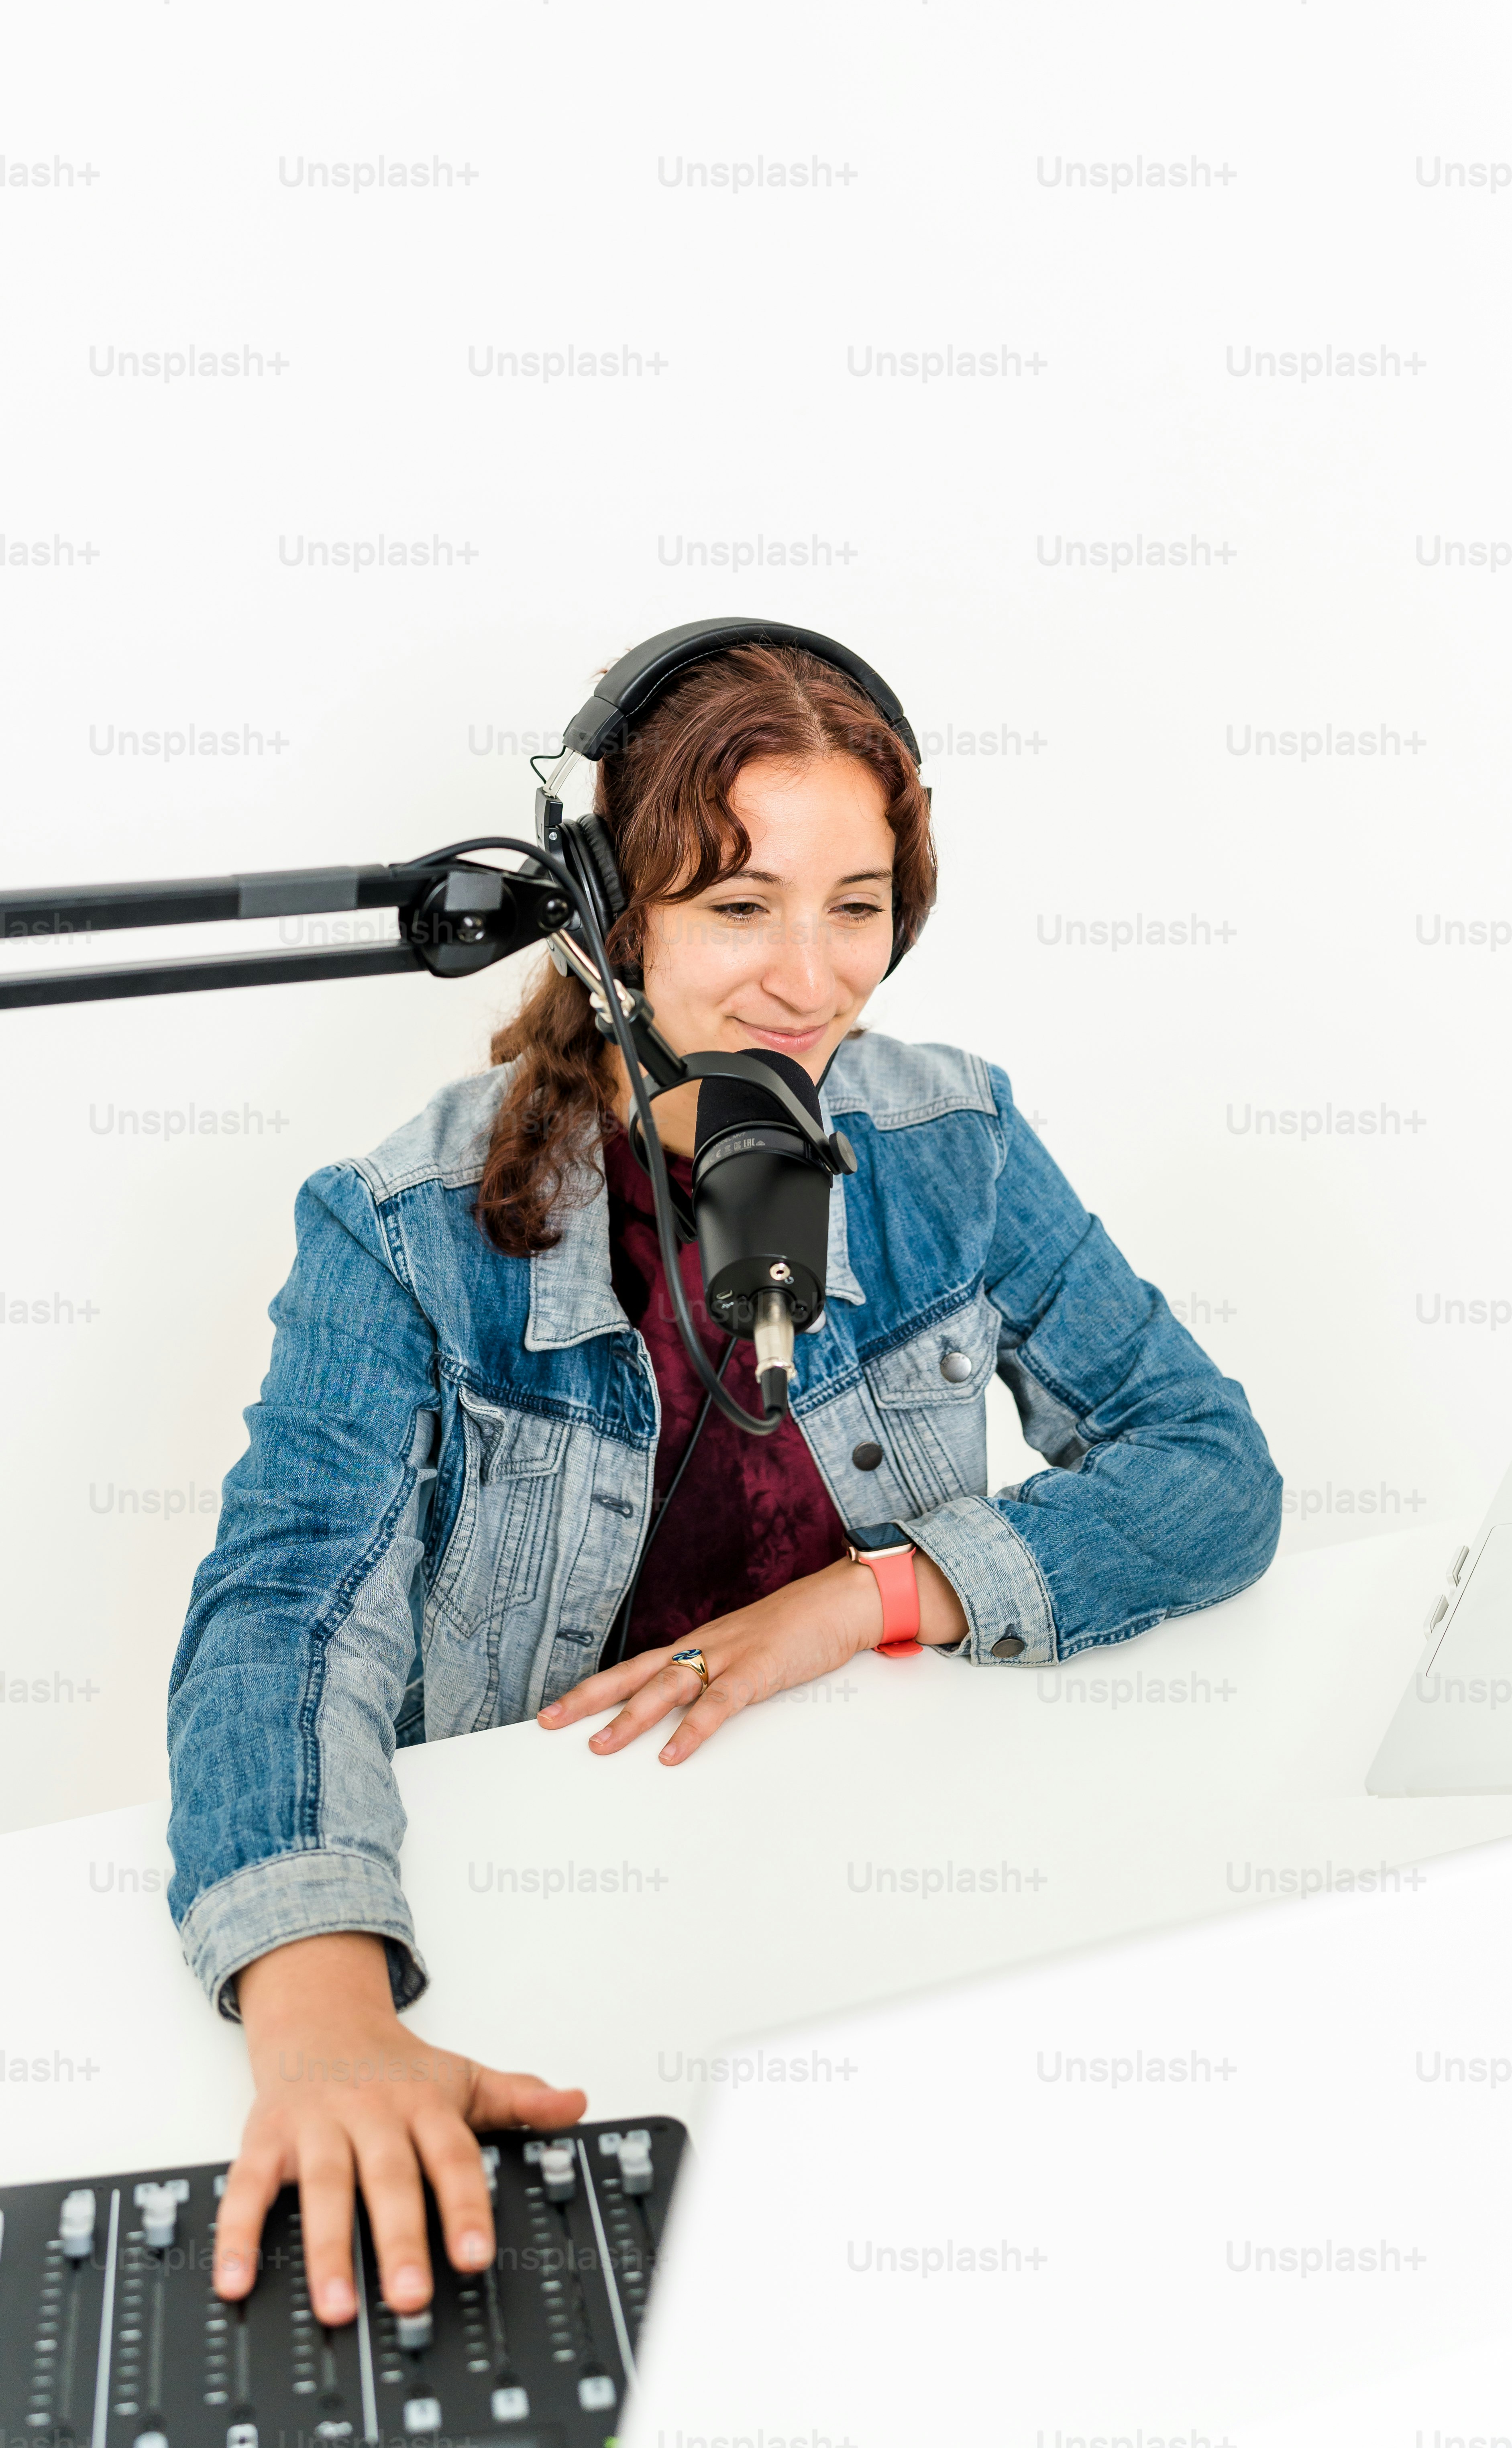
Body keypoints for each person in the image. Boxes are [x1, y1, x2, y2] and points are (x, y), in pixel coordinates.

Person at [167, 634, 1282, 2327]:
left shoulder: (954, 1139)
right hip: (570, 1913)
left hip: (866, 1874)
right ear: (620, 914)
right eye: (740, 906)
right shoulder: (401, 1225)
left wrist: (863, 1599)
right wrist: (325, 2023)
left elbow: (1206, 1462)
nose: (811, 978)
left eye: (858, 903)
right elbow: (284, 1618)